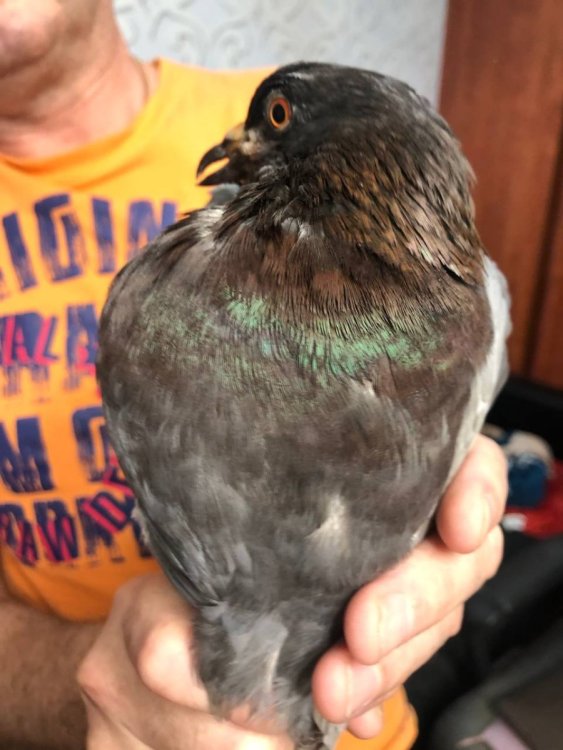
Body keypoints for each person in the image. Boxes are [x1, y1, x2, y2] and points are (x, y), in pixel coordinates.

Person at [0, 1, 508, 748]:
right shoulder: (163, 290)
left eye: (272, 116)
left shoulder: (461, 285)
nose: (242, 142)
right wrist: (83, 678)